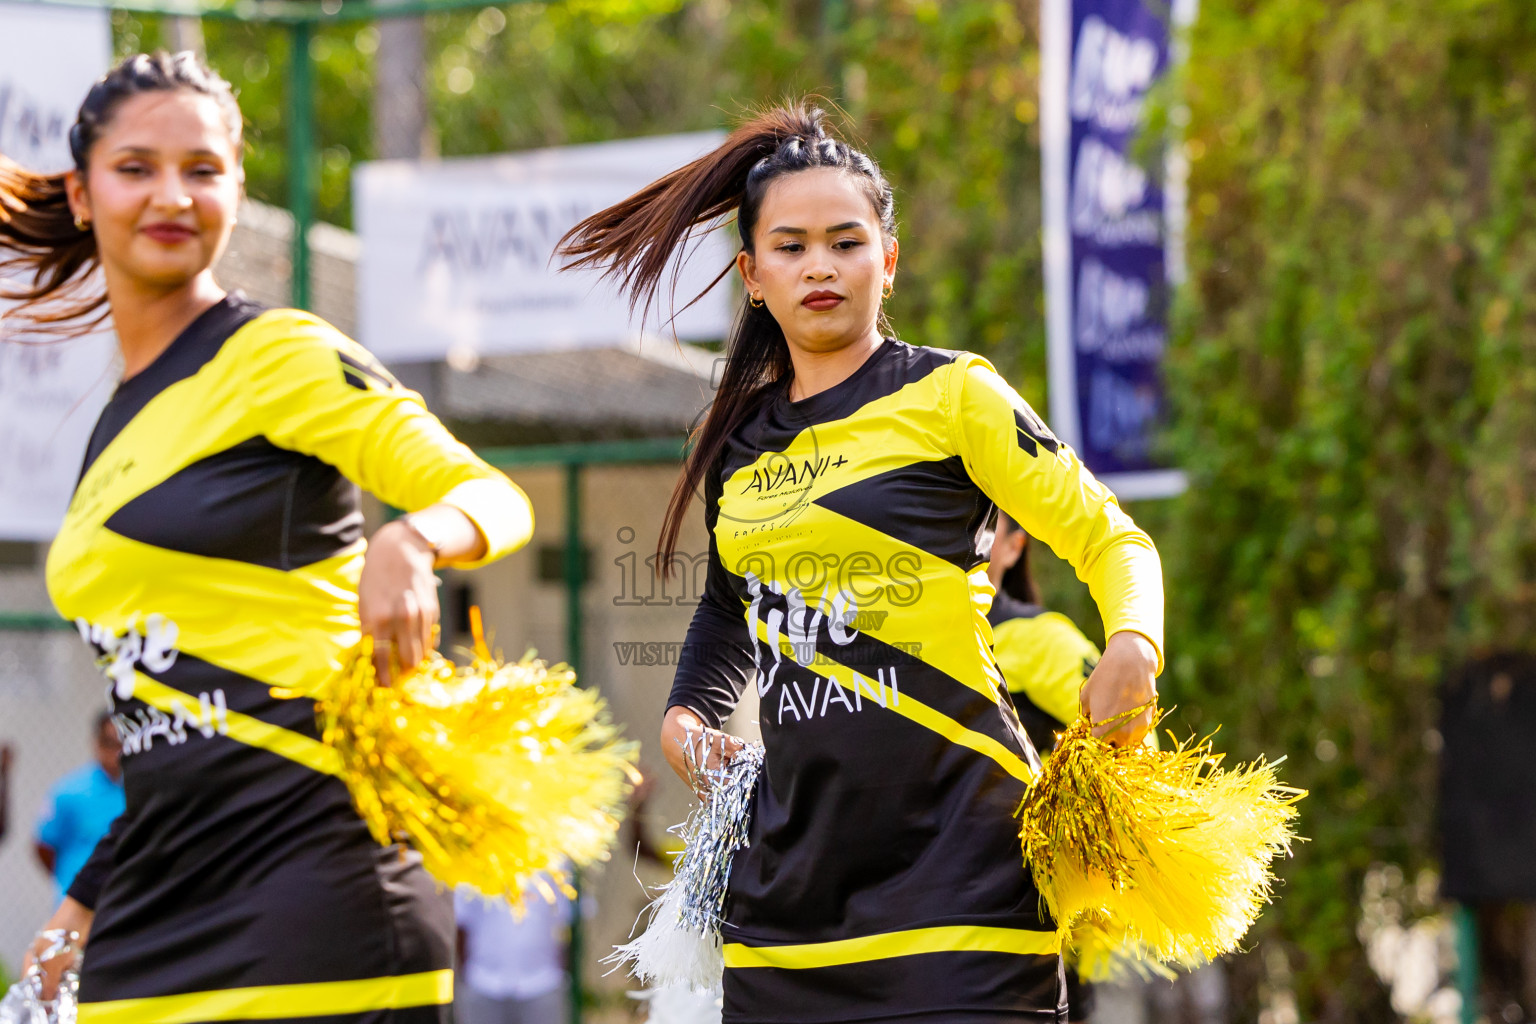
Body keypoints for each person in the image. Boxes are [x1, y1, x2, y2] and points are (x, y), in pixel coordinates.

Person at [559, 104, 1164, 1023]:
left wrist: (1134, 646)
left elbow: (1113, 537)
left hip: (966, 878)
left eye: (845, 243)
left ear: (887, 258)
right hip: (787, 901)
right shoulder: (739, 447)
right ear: (752, 276)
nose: (821, 267)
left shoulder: (953, 394)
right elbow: (729, 610)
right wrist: (687, 718)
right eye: (792, 247)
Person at [1, 51, 534, 1022]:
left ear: (236, 190)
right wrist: (74, 908)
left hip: (316, 892)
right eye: (137, 168)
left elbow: (486, 492)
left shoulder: (279, 356)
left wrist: (409, 543)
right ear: (81, 195)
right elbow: (171, 726)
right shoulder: (111, 426)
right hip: (149, 916)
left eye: (203, 169)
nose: (173, 194)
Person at [986, 511, 1103, 1023]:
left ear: (1014, 546)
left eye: (981, 523)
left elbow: (1132, 746)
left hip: (1042, 931)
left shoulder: (1044, 639)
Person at [34, 711, 126, 900]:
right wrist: (74, 883)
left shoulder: (140, 791)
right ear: (96, 743)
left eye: (121, 744)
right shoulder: (68, 792)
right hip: (75, 905)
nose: (116, 754)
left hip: (121, 904)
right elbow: (44, 847)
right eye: (109, 744)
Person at [454, 880, 574, 1024]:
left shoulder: (556, 862)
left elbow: (567, 920)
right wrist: (467, 973)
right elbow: (461, 920)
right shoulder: (473, 863)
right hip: (482, 982)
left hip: (542, 982)